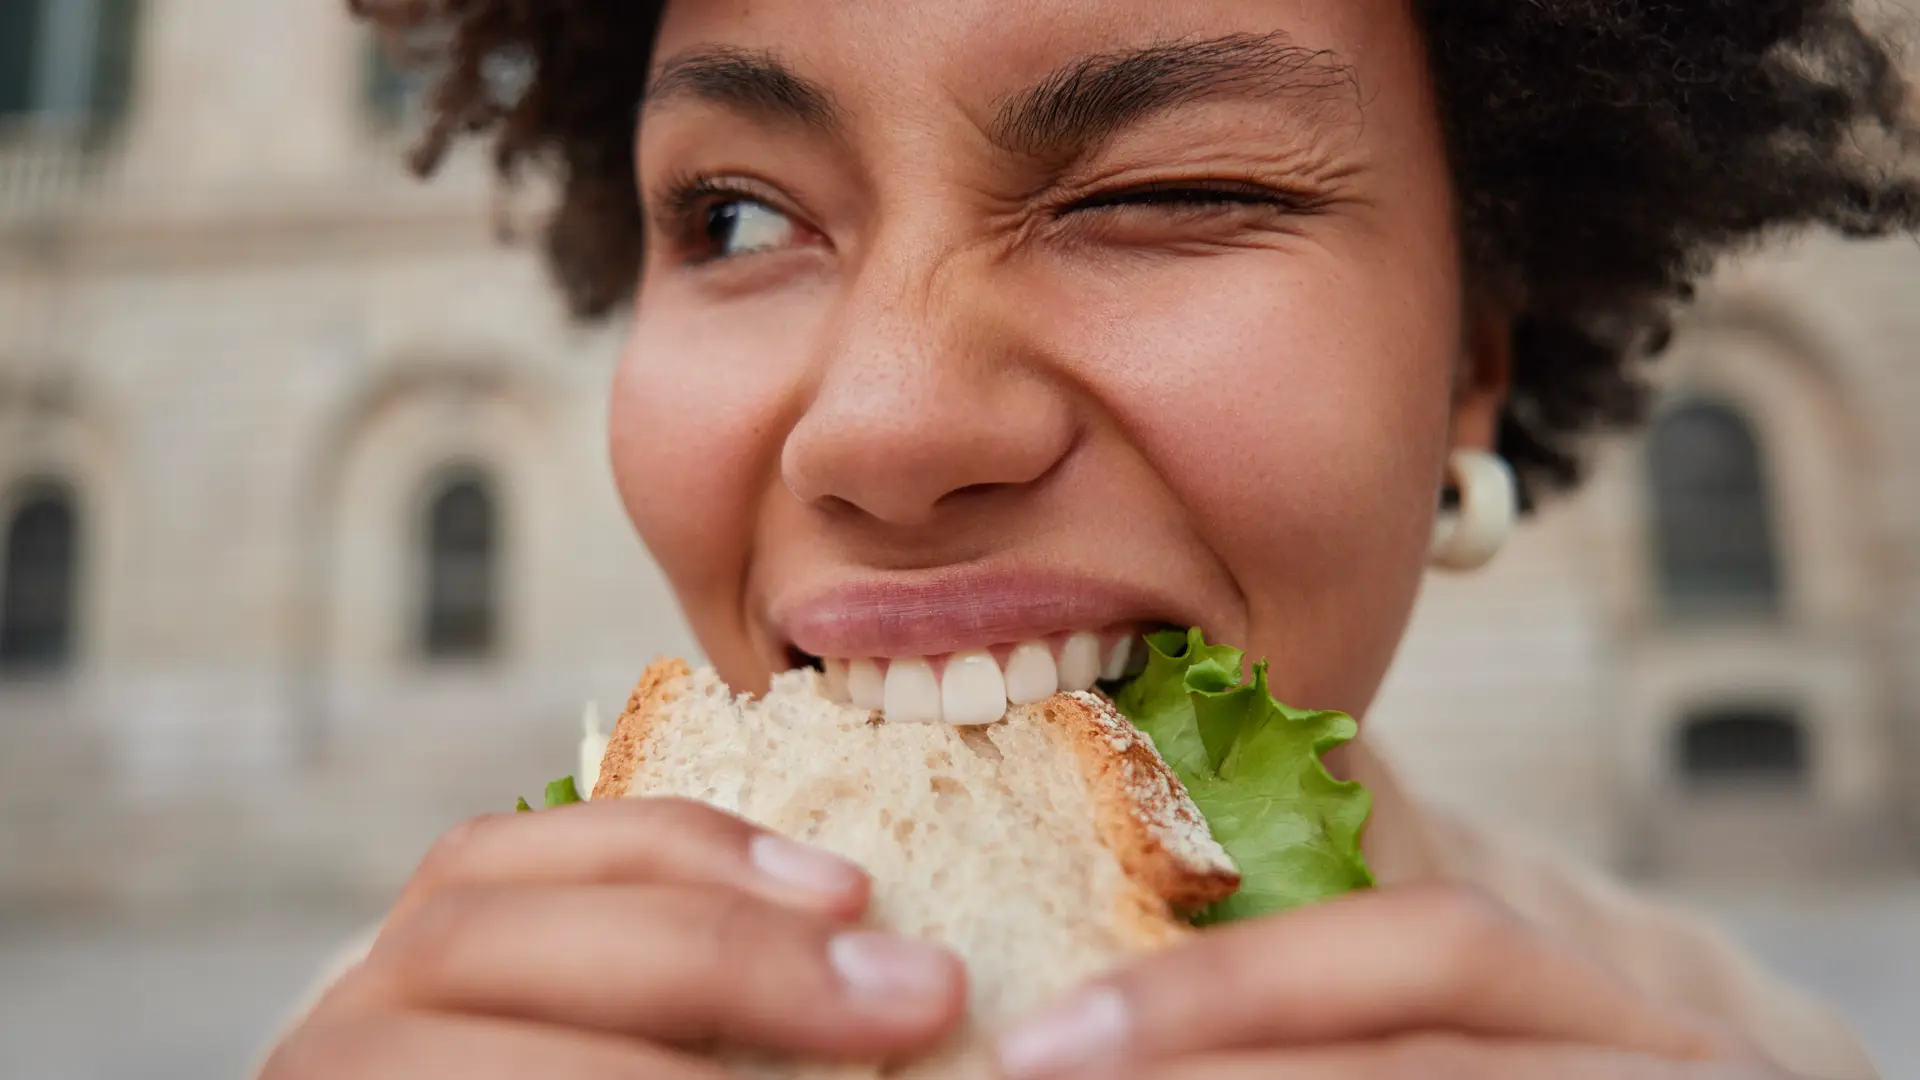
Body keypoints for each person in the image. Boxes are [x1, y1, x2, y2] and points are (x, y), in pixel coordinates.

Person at [262, 1, 1919, 1077]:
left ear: (1470, 364)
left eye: (1156, 194)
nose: (887, 429)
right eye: (736, 218)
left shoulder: (1751, 1052)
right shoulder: (410, 1037)